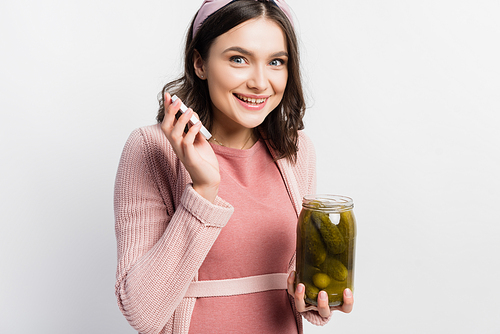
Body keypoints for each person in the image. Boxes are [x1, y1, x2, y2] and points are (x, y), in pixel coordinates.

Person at [114, 0, 354, 333]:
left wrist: (312, 298)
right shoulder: (152, 149)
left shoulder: (296, 151)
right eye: (238, 59)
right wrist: (203, 190)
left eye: (276, 62)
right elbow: (142, 312)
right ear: (200, 63)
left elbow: (294, 275)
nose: (259, 82)